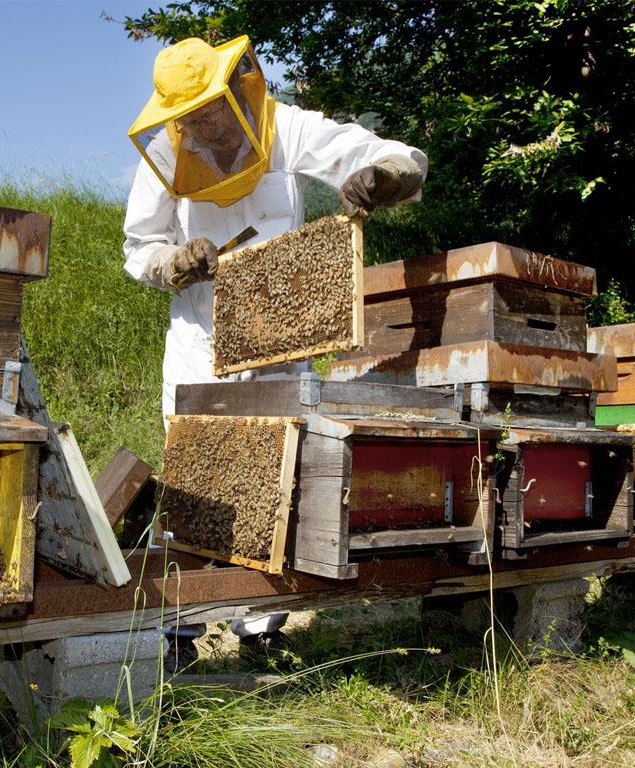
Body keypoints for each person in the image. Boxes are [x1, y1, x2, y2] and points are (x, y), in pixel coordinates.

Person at [123, 37, 427, 664]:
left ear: (237, 89)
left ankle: (261, 628)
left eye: (212, 111)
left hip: (284, 333)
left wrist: (384, 177)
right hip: (201, 338)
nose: (205, 126)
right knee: (196, 479)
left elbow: (385, 155)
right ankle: (178, 632)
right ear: (174, 117)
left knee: (280, 472)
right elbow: (138, 248)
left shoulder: (283, 124)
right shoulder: (165, 153)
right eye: (192, 118)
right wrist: (175, 261)